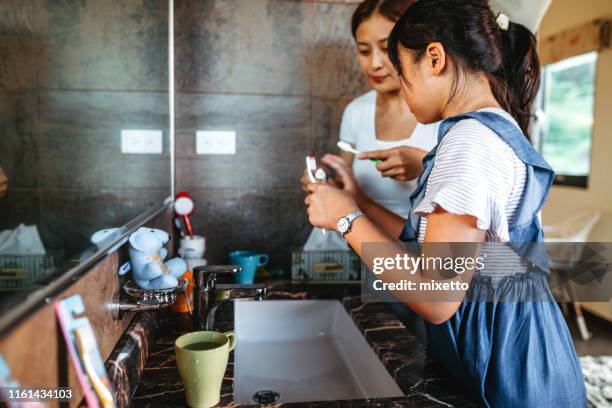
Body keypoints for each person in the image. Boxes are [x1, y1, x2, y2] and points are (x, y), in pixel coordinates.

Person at [303, 0, 587, 406]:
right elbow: (427, 246)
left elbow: (437, 297)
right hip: (530, 349)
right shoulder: (494, 126)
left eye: (403, 74)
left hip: (512, 367)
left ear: (434, 58)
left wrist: (347, 219)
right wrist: (353, 204)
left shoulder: (468, 143)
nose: (402, 88)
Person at [325, 0, 437, 219]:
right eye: (364, 51)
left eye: (386, 49)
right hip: (355, 240)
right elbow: (344, 182)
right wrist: (326, 181)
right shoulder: (356, 111)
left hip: (415, 249)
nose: (374, 63)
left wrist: (425, 166)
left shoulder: (444, 113)